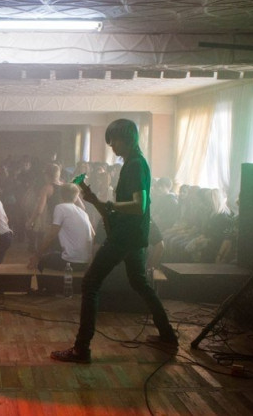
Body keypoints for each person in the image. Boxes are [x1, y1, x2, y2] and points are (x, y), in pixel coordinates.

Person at [51, 119, 178, 364]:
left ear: (125, 139)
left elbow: (139, 206)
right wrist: (96, 201)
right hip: (133, 235)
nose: (112, 147)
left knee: (90, 283)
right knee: (140, 283)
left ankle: (81, 349)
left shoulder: (135, 165)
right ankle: (168, 335)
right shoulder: (134, 163)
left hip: (125, 236)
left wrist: (109, 204)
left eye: (114, 141)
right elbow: (127, 208)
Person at [28, 183, 94, 278]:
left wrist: (37, 256)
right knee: (54, 254)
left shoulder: (61, 207)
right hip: (85, 263)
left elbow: (51, 235)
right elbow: (93, 234)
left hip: (70, 262)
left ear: (61, 195)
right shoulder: (84, 213)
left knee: (40, 262)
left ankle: (49, 287)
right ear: (76, 197)